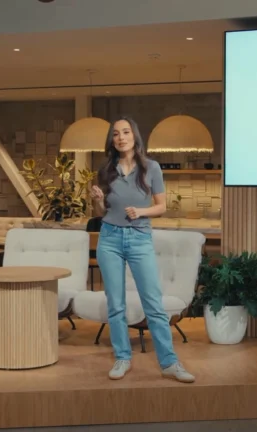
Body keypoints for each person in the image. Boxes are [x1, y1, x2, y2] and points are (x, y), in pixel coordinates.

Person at [89, 116, 195, 384]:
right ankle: (122, 357)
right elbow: (101, 213)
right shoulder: (105, 171)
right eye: (115, 134)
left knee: (154, 304)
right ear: (111, 140)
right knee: (116, 304)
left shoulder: (151, 168)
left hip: (139, 238)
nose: (121, 137)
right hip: (109, 239)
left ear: (135, 136)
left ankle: (169, 363)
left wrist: (141, 211)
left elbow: (161, 206)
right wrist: (98, 202)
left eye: (125, 132)